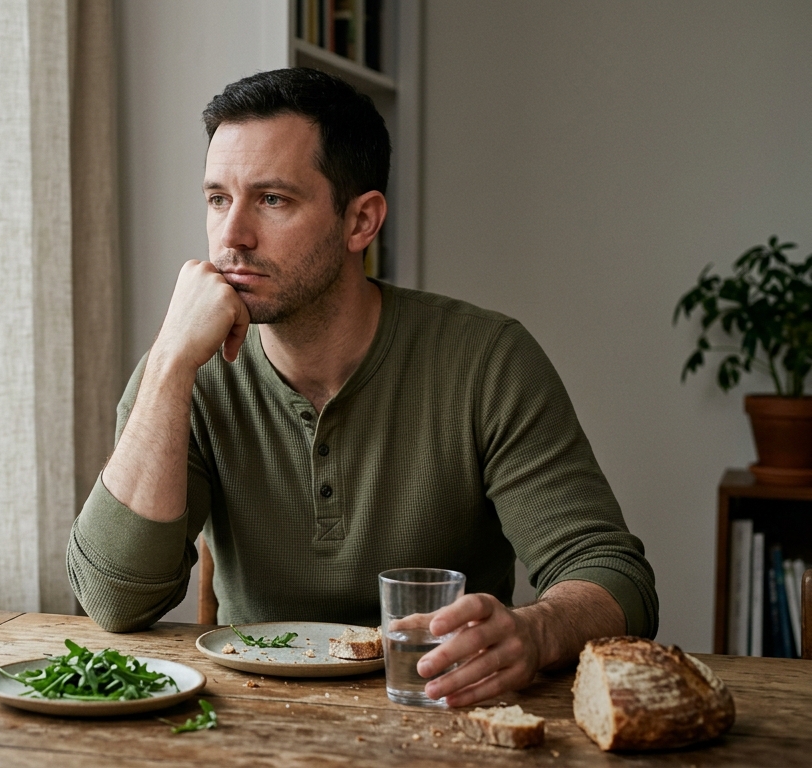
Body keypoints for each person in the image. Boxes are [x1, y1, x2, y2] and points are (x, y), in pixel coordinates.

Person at [66, 68, 657, 707]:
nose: (231, 236)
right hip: (246, 721)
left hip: (438, 710)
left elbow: (613, 575)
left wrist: (535, 631)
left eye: (271, 200)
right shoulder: (186, 371)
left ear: (361, 221)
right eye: (217, 198)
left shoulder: (488, 360)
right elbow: (114, 602)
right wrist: (171, 365)